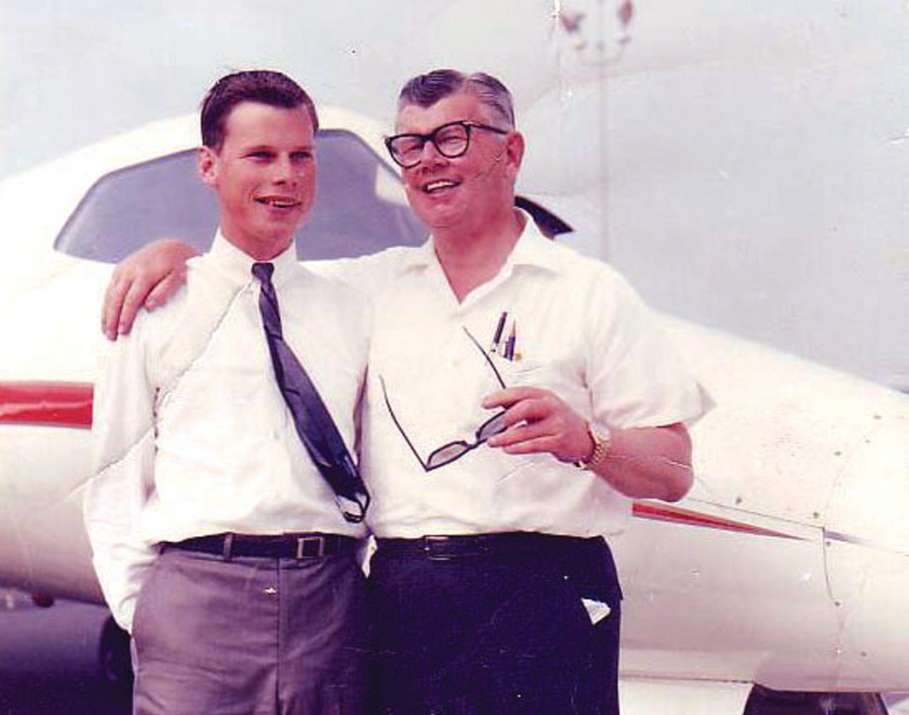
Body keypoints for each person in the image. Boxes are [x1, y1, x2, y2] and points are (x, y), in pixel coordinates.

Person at [101, 69, 709, 715]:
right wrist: (173, 254)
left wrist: (587, 442)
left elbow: (673, 471)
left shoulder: (589, 292)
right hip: (405, 602)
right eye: (411, 145)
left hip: (545, 594)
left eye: (453, 137)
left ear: (511, 151)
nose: (428, 161)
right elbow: (259, 273)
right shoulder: (368, 289)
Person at [84, 70, 371, 715]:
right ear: (209, 166)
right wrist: (144, 612)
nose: (286, 176)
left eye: (301, 156)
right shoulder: (154, 305)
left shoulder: (354, 307)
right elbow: (114, 477)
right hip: (196, 606)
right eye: (260, 156)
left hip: (329, 607)